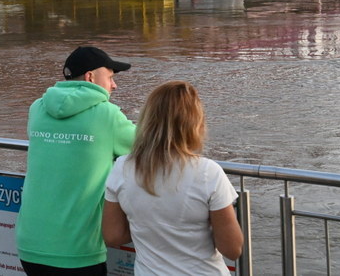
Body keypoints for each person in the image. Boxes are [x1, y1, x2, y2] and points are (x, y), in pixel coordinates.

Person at [16, 45, 137, 275]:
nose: (114, 85)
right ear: (90, 77)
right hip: (77, 250)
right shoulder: (107, 115)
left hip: (30, 244)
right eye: (110, 77)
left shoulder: (38, 108)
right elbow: (152, 144)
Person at [103, 81, 242, 275]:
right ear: (195, 123)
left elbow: (113, 236)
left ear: (147, 119)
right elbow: (232, 249)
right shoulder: (208, 172)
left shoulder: (123, 167)